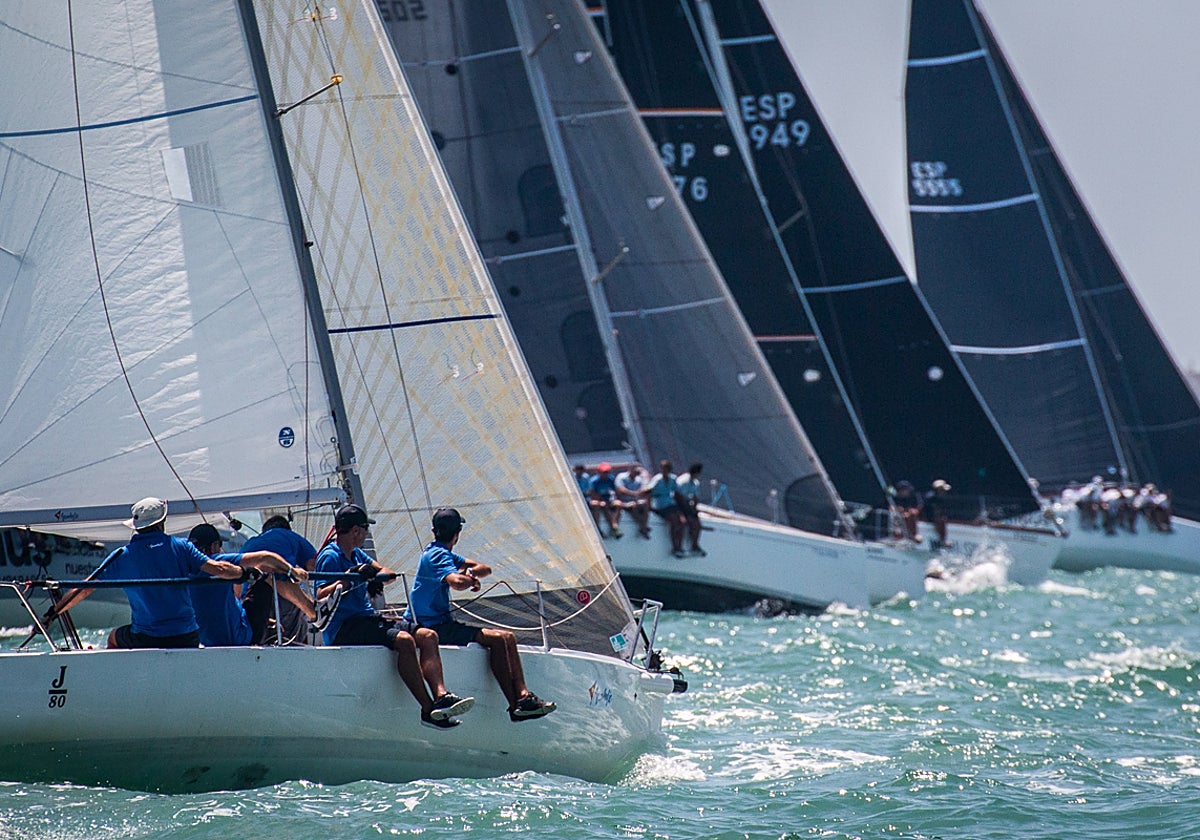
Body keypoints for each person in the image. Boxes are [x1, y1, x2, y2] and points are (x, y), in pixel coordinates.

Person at [316, 504, 474, 730]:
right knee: (404, 640)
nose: (366, 534)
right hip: (344, 626)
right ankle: (428, 710)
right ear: (355, 531)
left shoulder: (357, 554)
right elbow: (320, 595)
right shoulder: (330, 557)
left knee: (428, 635)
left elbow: (388, 575)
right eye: (365, 529)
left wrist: (372, 575)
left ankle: (441, 696)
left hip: (366, 619)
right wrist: (349, 578)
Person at [406, 508, 556, 722]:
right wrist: (468, 579)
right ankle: (516, 704)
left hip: (442, 623)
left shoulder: (443, 552)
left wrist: (471, 575)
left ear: (434, 530)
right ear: (458, 533)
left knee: (508, 637)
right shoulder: (437, 554)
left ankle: (522, 698)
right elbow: (457, 583)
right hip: (432, 626)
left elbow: (484, 568)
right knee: (498, 639)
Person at [45, 497, 245, 649]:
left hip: (147, 639)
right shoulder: (181, 547)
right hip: (187, 637)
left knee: (114, 637)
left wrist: (51, 615)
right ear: (162, 521)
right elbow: (219, 569)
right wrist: (244, 573)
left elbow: (84, 589)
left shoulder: (122, 555)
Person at [186, 523, 341, 647]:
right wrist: (293, 572)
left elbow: (234, 596)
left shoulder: (184, 571)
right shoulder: (218, 561)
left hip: (206, 641)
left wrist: (264, 618)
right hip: (239, 637)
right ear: (214, 547)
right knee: (269, 570)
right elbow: (267, 558)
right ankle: (314, 613)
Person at [240, 515, 321, 643]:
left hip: (250, 598)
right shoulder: (290, 536)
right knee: (298, 614)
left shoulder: (250, 542)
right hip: (281, 591)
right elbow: (314, 564)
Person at [643, 460, 686, 557]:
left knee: (682, 522)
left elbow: (677, 492)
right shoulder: (657, 479)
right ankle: (675, 547)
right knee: (674, 522)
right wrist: (649, 506)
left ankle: (680, 545)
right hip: (661, 505)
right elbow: (648, 491)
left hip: (671, 504)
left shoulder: (673, 478)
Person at [674, 462, 706, 557]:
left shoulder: (695, 483)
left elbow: (695, 497)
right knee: (682, 522)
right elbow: (678, 496)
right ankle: (678, 547)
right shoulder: (683, 481)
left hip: (687, 505)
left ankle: (694, 545)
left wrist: (694, 509)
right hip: (677, 505)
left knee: (697, 524)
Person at [615, 465, 652, 538]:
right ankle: (642, 526)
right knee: (634, 506)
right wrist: (633, 493)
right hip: (623, 502)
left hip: (634, 501)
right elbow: (620, 489)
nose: (636, 474)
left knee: (644, 504)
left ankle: (644, 525)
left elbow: (641, 491)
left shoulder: (638, 480)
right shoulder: (621, 477)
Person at [589, 462, 623, 538]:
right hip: (598, 500)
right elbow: (593, 494)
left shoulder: (611, 479)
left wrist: (615, 499)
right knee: (599, 505)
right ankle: (598, 528)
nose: (605, 474)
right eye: (604, 472)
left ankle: (615, 525)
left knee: (618, 504)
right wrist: (601, 501)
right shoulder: (594, 481)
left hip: (608, 499)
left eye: (607, 472)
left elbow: (616, 492)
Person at [924, 479, 952, 549]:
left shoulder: (941, 499)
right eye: (942, 490)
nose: (944, 492)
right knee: (940, 520)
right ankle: (942, 540)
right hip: (929, 516)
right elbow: (928, 510)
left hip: (937, 517)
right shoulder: (930, 498)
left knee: (943, 519)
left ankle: (944, 538)